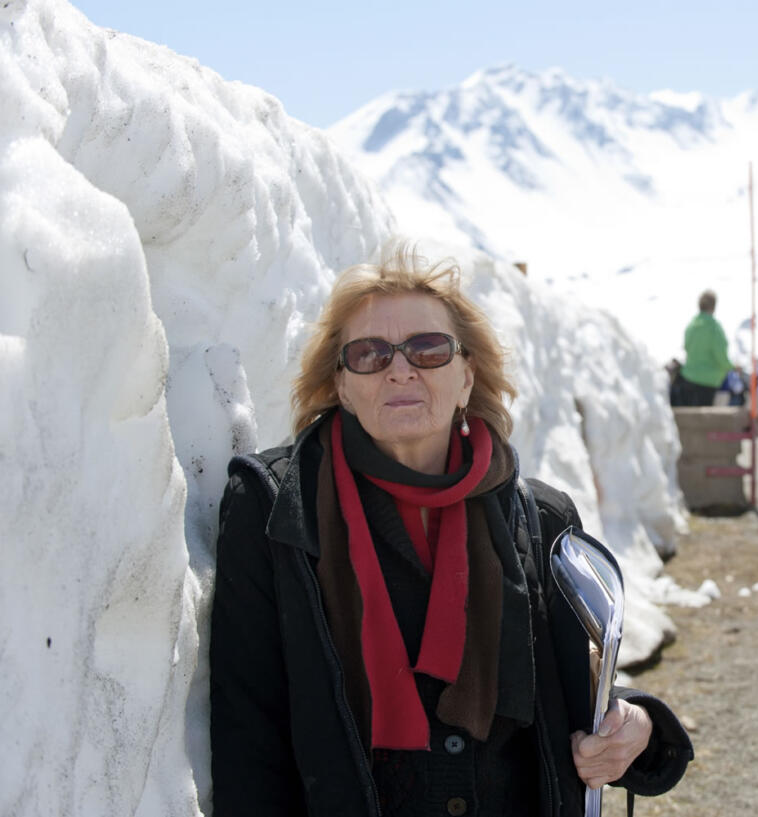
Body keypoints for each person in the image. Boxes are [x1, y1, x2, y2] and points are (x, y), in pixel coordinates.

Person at [210, 243, 692, 817]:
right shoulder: (275, 508)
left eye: (429, 348)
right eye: (369, 354)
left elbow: (576, 698)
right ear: (340, 385)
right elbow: (249, 739)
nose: (400, 368)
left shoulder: (541, 519)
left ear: (468, 377)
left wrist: (633, 725)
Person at [677, 290, 732, 406]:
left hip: (688, 377)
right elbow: (720, 355)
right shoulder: (714, 328)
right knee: (706, 419)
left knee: (690, 418)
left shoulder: (691, 326)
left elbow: (686, 347)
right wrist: (730, 367)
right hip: (709, 381)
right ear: (714, 306)